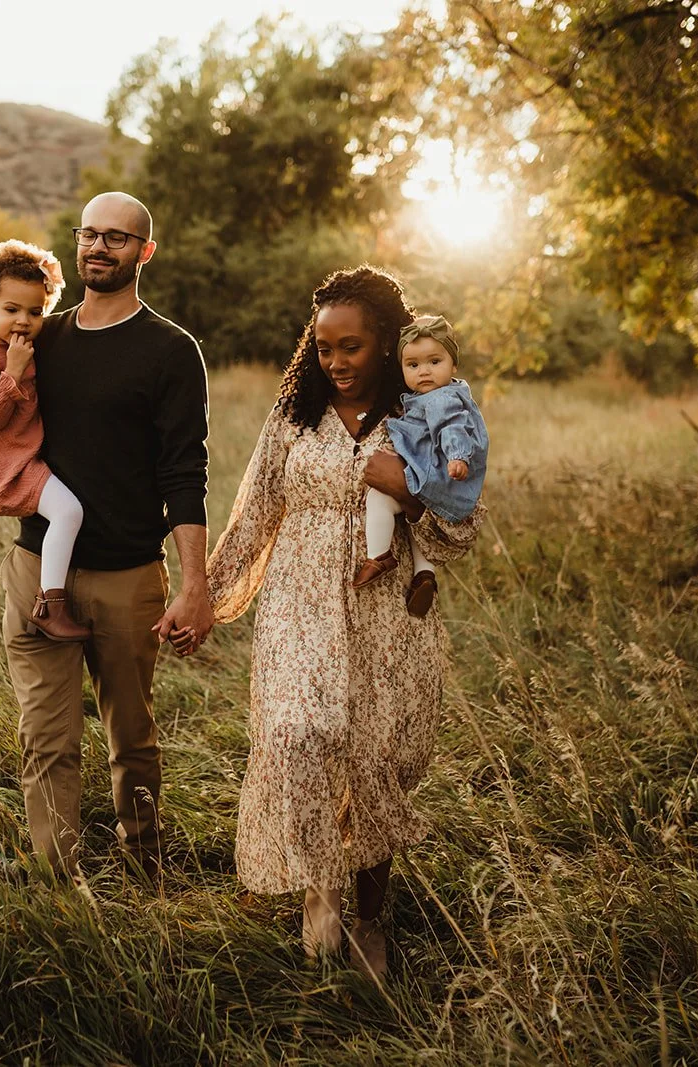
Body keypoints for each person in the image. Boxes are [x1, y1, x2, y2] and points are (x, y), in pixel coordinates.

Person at [207, 266, 483, 981]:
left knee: (373, 762)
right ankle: (319, 885)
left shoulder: (423, 414)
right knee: (298, 734)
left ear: (387, 342)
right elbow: (257, 510)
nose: (335, 362)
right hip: (299, 603)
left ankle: (369, 917)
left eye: (352, 346)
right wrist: (205, 594)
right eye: (324, 346)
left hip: (384, 611)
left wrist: (412, 493)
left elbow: (464, 529)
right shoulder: (295, 415)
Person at [0, 192, 212, 883]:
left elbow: (186, 473)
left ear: (144, 252)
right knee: (47, 738)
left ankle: (143, 858)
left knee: (132, 738)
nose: (99, 247)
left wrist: (195, 584)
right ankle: (57, 885)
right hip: (39, 568)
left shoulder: (172, 351)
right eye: (89, 235)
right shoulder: (43, 340)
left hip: (128, 576)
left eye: (117, 238)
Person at [0, 239, 90, 641]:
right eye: (11, 310)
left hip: (27, 457)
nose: (23, 321)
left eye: (35, 312)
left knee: (68, 512)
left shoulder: (28, 344)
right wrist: (11, 373)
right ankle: (50, 604)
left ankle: (51, 599)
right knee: (69, 513)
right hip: (7, 468)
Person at [354, 314, 489, 618]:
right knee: (417, 519)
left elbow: (452, 426)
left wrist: (457, 456)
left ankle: (379, 556)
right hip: (437, 479)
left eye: (434, 362)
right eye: (413, 365)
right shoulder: (429, 397)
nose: (424, 372)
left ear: (454, 364)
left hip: (440, 472)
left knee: (379, 499)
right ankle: (423, 574)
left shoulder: (442, 398)